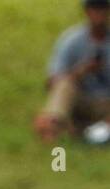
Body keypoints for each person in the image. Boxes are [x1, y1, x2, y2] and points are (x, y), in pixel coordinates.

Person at [35, 0, 110, 143]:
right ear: (87, 12)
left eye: (102, 10)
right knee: (64, 84)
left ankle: (84, 131)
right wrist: (80, 72)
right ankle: (52, 124)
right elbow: (52, 83)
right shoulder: (71, 40)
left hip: (106, 103)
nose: (98, 15)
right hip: (81, 99)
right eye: (94, 10)